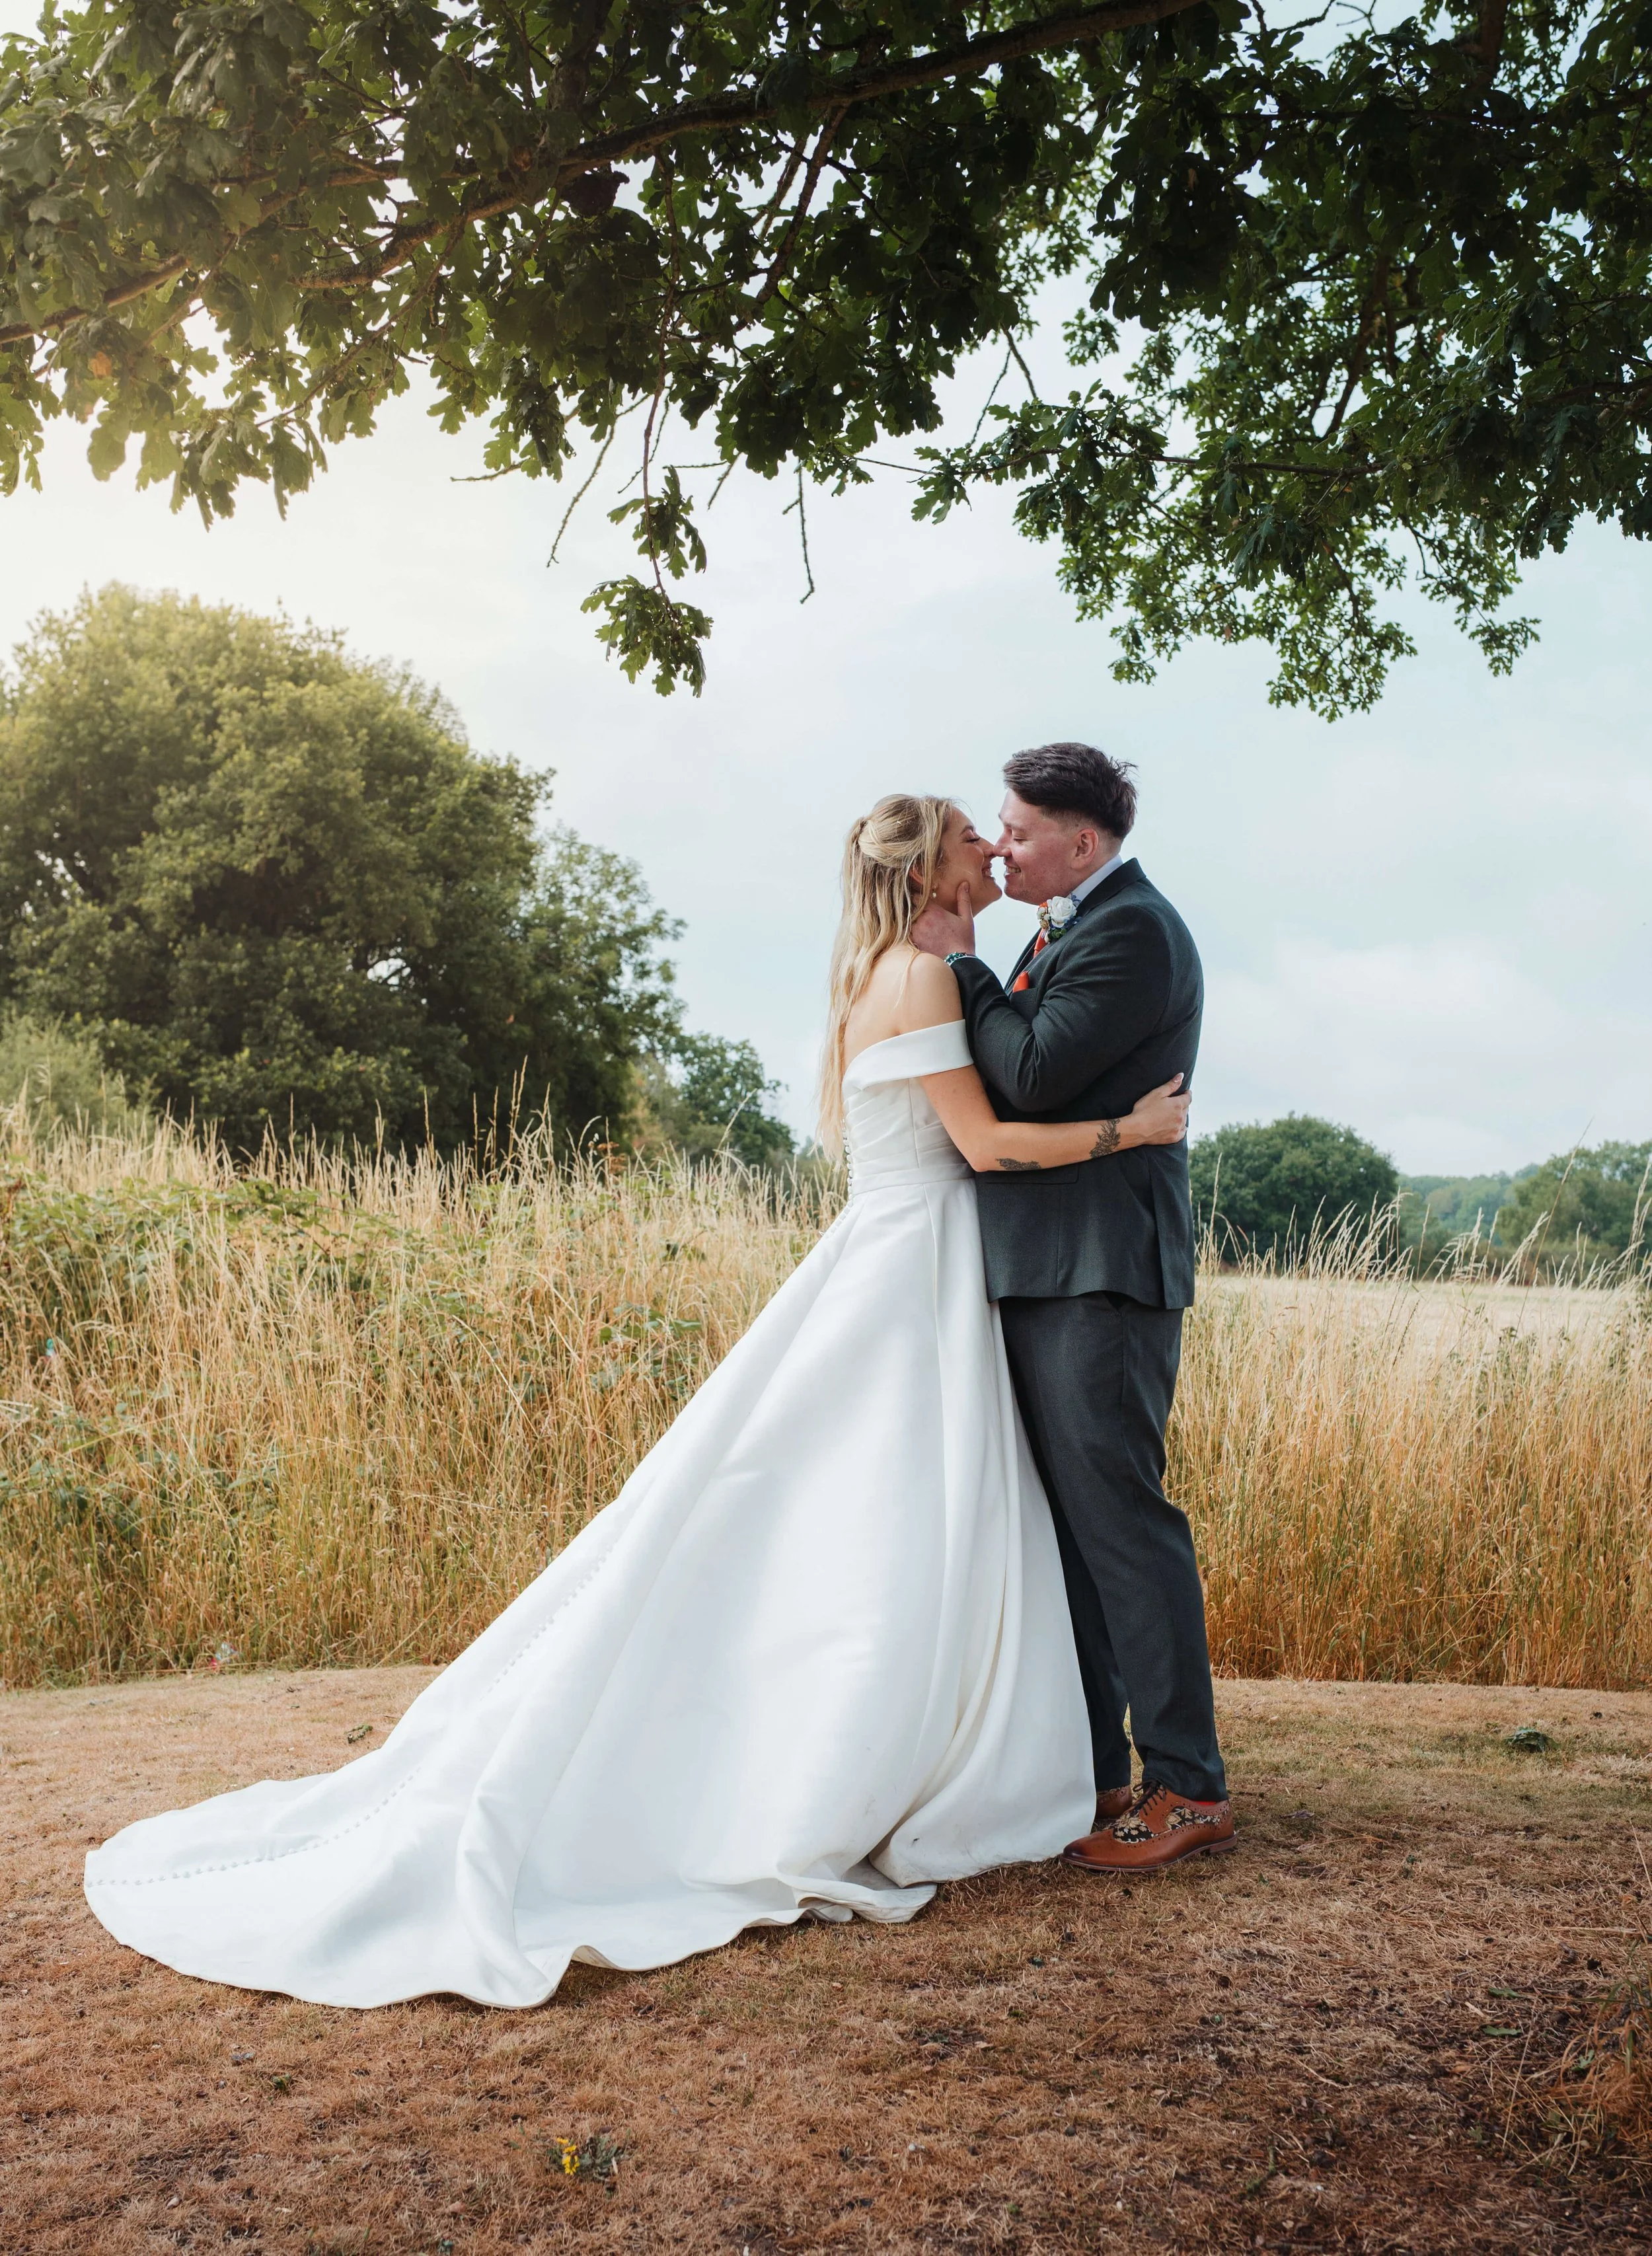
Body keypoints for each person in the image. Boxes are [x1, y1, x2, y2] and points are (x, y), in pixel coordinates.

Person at [84, 793, 1191, 2011]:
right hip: (913, 1270)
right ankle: (881, 1754)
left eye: (1009, 831)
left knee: (871, 1516)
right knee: (887, 1515)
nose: (993, 846)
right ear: (931, 867)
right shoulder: (927, 979)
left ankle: (963, 1747)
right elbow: (981, 1146)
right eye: (975, 837)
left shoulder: (889, 970)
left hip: (907, 1263)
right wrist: (1126, 1131)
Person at [912, 741, 1232, 1876]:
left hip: (1103, 1271)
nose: (1002, 845)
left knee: (1121, 1522)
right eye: (996, 826)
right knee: (1067, 1536)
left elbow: (1035, 1077)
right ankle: (1099, 1770)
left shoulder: (1133, 931)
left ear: (1081, 843)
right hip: (1047, 1266)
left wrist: (962, 969)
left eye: (1020, 829)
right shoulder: (1067, 929)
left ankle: (1189, 1783)